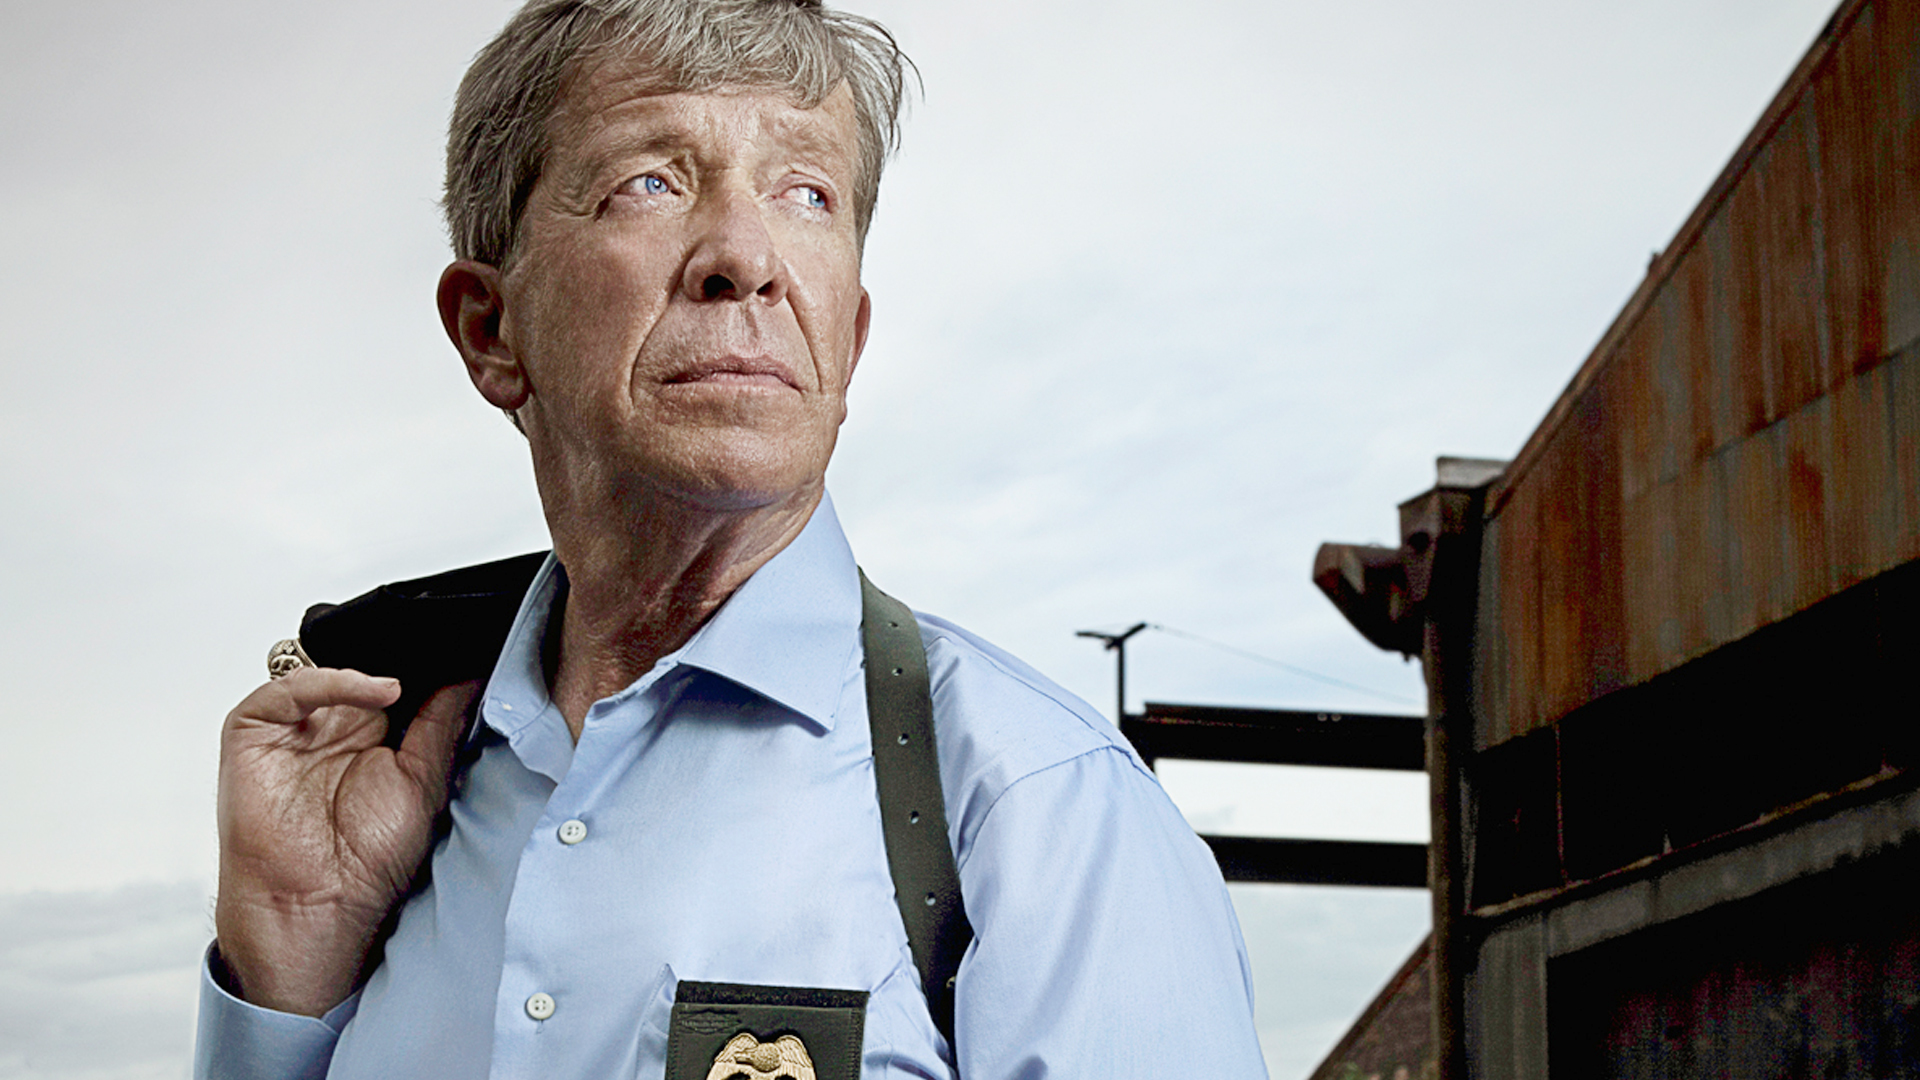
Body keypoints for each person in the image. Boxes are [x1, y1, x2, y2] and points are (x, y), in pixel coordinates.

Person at [195, 0, 1268, 1076]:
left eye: (808, 193)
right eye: (650, 182)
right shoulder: (389, 808)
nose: (748, 258)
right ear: (491, 330)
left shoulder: (1043, 806)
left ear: (846, 337)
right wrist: (290, 956)